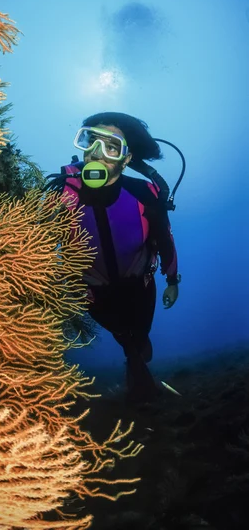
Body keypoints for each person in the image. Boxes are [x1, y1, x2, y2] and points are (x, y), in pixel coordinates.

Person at [51, 112, 180, 403]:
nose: (97, 152)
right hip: (92, 293)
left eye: (111, 146)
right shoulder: (63, 193)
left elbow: (165, 240)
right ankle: (131, 357)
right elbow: (37, 240)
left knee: (140, 333)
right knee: (122, 335)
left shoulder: (144, 194)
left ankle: (135, 352)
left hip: (140, 287)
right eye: (92, 140)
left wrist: (172, 280)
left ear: (126, 158)